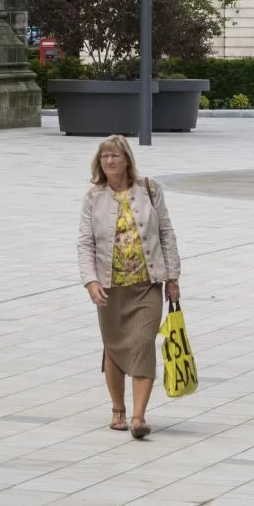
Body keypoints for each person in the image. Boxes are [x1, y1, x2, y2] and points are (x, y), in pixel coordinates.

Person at [77, 136, 180, 440]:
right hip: (110, 288)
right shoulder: (93, 197)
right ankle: (117, 409)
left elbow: (166, 232)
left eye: (115, 156)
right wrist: (90, 281)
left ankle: (138, 416)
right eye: (105, 156)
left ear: (127, 160)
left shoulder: (149, 189)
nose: (110, 161)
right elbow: (85, 242)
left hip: (147, 285)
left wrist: (172, 277)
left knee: (143, 343)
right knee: (114, 347)